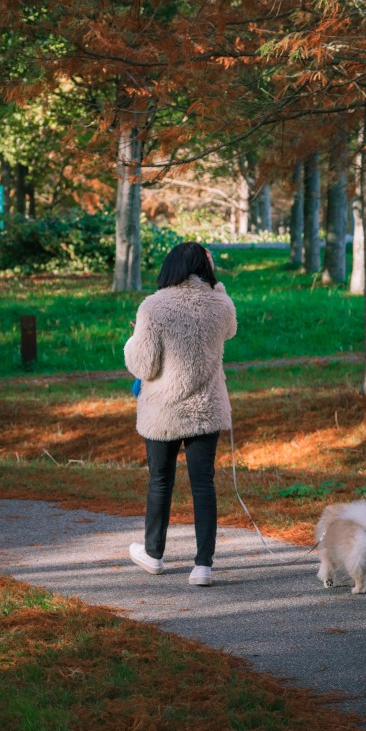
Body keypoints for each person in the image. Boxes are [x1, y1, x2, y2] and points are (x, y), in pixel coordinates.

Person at [124, 241, 237, 586]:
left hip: (163, 411)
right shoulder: (222, 304)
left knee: (161, 481)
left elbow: (143, 365)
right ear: (204, 267)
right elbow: (230, 331)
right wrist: (217, 286)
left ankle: (154, 554)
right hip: (206, 409)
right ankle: (203, 566)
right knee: (203, 483)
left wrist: (133, 338)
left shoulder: (153, 307)